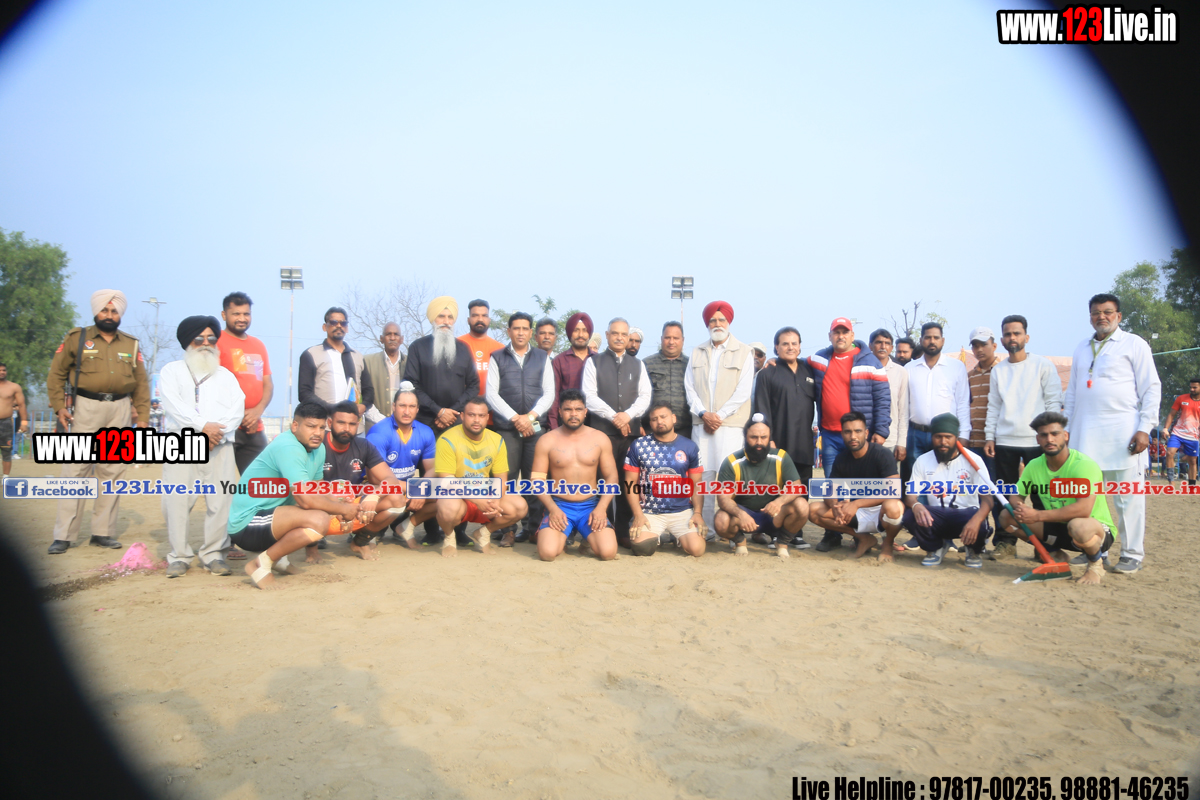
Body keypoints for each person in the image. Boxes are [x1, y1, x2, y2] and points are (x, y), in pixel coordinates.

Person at [46, 290, 151, 555]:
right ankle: (64, 535)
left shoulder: (131, 344)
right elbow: (56, 373)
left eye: (114, 311)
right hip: (86, 407)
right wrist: (59, 406)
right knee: (76, 470)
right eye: (105, 310)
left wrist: (143, 418)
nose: (109, 315)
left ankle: (102, 532)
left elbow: (141, 384)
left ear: (120, 314)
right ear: (96, 312)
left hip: (120, 409)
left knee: (112, 471)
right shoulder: (77, 338)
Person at [1063, 293, 1161, 574]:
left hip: (1124, 436)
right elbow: (1072, 394)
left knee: (1127, 499)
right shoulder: (1082, 347)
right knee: (1089, 500)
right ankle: (1096, 550)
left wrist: (1144, 429)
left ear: (1119, 316)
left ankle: (1131, 555)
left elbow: (1151, 388)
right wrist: (1067, 429)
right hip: (1085, 435)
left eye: (1107, 312)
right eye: (1096, 312)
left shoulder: (1134, 344)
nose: (1101, 317)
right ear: (1090, 317)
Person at [229, 402, 370, 588]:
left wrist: (343, 504)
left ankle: (279, 559)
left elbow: (317, 488)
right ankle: (260, 564)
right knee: (319, 519)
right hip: (247, 523)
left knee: (324, 511)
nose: (318, 433)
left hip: (273, 516)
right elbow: (305, 499)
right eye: (311, 426)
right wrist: (342, 510)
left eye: (321, 427)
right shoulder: (288, 447)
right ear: (295, 426)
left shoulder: (318, 448)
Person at [159, 316, 243, 578]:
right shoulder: (171, 371)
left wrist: (216, 432)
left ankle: (214, 554)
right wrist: (202, 427)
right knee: (176, 501)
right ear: (188, 342)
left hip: (220, 445)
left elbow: (237, 409)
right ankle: (179, 556)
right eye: (199, 338)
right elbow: (173, 406)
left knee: (221, 502)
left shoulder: (226, 376)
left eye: (211, 338)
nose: (206, 343)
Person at [1000, 411, 1116, 586]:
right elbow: (1016, 495)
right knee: (1007, 516)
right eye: (1044, 435)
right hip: (1060, 527)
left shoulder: (1083, 465)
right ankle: (1054, 553)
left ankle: (1095, 565)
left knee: (1079, 525)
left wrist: (1037, 515)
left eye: (1055, 434)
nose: (1050, 439)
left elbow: (1083, 510)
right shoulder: (1034, 465)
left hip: (1094, 530)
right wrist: (1021, 508)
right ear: (1038, 439)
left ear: (1065, 436)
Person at [983, 314, 1064, 557]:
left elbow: (1053, 402)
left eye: (1017, 333)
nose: (1012, 338)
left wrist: (1051, 437)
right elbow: (994, 406)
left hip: (1036, 442)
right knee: (1005, 495)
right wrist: (990, 436)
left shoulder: (1042, 365)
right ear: (1001, 340)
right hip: (1005, 441)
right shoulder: (998, 371)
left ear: (1026, 337)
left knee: (1042, 496)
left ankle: (1046, 546)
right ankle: (1005, 543)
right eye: (1007, 334)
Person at [808, 318, 891, 550]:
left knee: (859, 486)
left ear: (852, 336)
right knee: (833, 486)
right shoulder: (819, 359)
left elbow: (883, 399)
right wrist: (773, 361)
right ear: (830, 336)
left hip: (859, 438)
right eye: (836, 332)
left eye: (845, 332)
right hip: (830, 436)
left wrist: (881, 431)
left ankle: (859, 533)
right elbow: (794, 361)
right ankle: (833, 534)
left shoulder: (870, 362)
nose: (841, 336)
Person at [684, 301, 756, 533]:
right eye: (713, 320)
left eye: (721, 320)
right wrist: (704, 414)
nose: (717, 324)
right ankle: (705, 530)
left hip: (730, 426)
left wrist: (719, 416)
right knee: (703, 479)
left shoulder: (745, 352)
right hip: (702, 425)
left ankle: (731, 530)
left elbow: (743, 391)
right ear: (707, 324)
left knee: (729, 479)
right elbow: (689, 389)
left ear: (729, 322)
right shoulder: (696, 352)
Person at [426, 397, 527, 558]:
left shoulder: (497, 440)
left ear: (487, 418)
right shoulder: (447, 439)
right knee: (447, 508)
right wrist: (477, 500)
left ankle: (484, 533)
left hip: (484, 493)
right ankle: (449, 537)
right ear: (462, 416)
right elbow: (447, 481)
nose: (476, 420)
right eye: (471, 415)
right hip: (457, 496)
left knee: (520, 506)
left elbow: (501, 478)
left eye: (481, 415)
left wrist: (496, 499)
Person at [485, 312, 554, 545]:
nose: (521, 333)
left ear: (531, 332)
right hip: (507, 427)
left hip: (535, 426)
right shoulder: (497, 357)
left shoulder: (542, 357)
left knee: (536, 478)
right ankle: (507, 529)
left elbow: (549, 393)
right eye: (516, 328)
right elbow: (491, 394)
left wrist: (530, 417)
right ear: (509, 331)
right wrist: (516, 418)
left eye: (525, 329)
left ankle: (534, 529)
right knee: (506, 480)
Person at [583, 317, 652, 547]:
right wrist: (615, 417)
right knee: (601, 481)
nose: (620, 338)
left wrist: (627, 416)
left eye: (624, 334)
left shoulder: (638, 364)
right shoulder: (593, 362)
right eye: (615, 333)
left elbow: (645, 396)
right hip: (601, 433)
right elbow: (589, 396)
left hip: (630, 436)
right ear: (607, 335)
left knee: (628, 482)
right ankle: (601, 528)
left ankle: (623, 529)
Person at [531, 389, 620, 561]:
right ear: (560, 412)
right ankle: (562, 538)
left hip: (590, 506)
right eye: (568, 409)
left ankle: (587, 540)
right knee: (547, 553)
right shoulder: (547, 440)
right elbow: (537, 480)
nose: (573, 414)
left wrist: (601, 508)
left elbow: (612, 477)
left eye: (578, 409)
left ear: (585, 411)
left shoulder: (600, 438)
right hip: (559, 505)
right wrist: (553, 509)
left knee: (608, 552)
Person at [898, 413, 994, 569]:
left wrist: (977, 520)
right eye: (938, 437)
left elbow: (988, 499)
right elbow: (910, 496)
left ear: (956, 437)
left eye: (948, 437)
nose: (943, 442)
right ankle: (936, 547)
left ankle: (973, 550)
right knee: (910, 516)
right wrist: (916, 505)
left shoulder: (974, 460)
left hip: (966, 515)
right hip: (937, 517)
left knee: (980, 518)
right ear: (932, 437)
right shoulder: (922, 460)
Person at [752, 326, 818, 548]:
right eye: (785, 344)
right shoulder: (767, 374)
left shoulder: (810, 371)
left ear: (800, 346)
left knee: (801, 489)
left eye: (794, 343)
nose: (790, 347)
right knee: (775, 490)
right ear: (776, 347)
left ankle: (795, 533)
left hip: (804, 443)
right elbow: (761, 410)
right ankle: (774, 533)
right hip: (777, 442)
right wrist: (768, 441)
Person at [808, 412, 904, 560]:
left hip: (880, 511)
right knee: (813, 510)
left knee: (894, 507)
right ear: (842, 434)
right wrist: (834, 505)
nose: (853, 436)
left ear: (866, 433)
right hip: (855, 513)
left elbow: (894, 490)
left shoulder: (882, 454)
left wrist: (857, 503)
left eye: (857, 431)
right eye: (848, 432)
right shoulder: (841, 458)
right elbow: (829, 492)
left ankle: (888, 543)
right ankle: (864, 538)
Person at [713, 414, 809, 559]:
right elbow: (723, 498)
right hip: (744, 517)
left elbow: (797, 487)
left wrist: (779, 502)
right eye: (754, 437)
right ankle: (740, 541)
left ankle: (782, 543)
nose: (759, 442)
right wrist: (741, 514)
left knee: (802, 505)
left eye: (764, 437)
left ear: (769, 438)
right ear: (745, 437)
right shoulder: (732, 462)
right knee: (720, 520)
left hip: (774, 515)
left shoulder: (781, 457)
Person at [321, 401, 407, 560]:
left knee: (397, 499)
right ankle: (312, 546)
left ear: (358, 425)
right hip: (323, 506)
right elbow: (306, 489)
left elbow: (390, 479)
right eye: (341, 423)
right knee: (304, 503)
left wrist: (375, 496)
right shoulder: (318, 445)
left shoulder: (364, 446)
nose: (346, 428)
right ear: (330, 423)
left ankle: (360, 542)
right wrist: (337, 506)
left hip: (352, 506)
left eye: (352, 424)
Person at [624, 402, 706, 557]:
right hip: (650, 511)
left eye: (663, 417)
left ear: (673, 418)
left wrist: (698, 513)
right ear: (650, 423)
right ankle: (657, 536)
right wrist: (638, 514)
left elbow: (697, 484)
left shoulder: (690, 446)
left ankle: (679, 537)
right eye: (654, 419)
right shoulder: (639, 445)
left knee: (697, 550)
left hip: (681, 510)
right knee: (642, 549)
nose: (659, 421)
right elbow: (630, 483)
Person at [365, 384, 437, 548]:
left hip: (405, 488)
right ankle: (368, 531)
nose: (407, 411)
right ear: (393, 406)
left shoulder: (425, 432)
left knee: (444, 494)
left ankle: (405, 527)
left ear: (417, 409)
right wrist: (415, 489)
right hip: (379, 488)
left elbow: (432, 469)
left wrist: (421, 490)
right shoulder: (379, 432)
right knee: (388, 494)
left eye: (411, 406)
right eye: (402, 405)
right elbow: (375, 478)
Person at [904, 321, 970, 490]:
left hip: (946, 435)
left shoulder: (956, 367)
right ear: (921, 340)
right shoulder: (909, 368)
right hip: (916, 434)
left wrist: (964, 434)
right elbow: (904, 406)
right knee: (917, 482)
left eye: (936, 337)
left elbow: (963, 402)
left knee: (945, 480)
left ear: (943, 340)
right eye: (928, 337)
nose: (932, 341)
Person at [405, 296, 480, 435]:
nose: (446, 322)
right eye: (441, 316)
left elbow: (474, 385)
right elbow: (411, 384)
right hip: (424, 421)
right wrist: (438, 411)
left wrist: (452, 412)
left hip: (456, 420)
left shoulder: (463, 348)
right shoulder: (418, 347)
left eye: (450, 317)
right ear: (433, 318)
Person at [217, 292, 274, 475]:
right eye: (236, 314)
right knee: (221, 483)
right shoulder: (215, 342)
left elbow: (267, 384)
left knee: (261, 482)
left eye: (246, 314)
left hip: (254, 427)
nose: (242, 318)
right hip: (225, 427)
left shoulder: (258, 345)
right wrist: (238, 414)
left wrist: (258, 411)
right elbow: (211, 387)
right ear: (224, 315)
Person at [297, 307, 374, 418]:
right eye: (333, 322)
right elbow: (304, 393)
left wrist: (364, 406)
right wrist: (332, 409)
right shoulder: (311, 354)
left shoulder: (357, 356)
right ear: (325, 327)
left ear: (347, 328)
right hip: (324, 422)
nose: (339, 326)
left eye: (343, 323)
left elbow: (368, 390)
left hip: (353, 424)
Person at [642, 321, 691, 439]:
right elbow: (635, 393)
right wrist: (637, 423)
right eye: (667, 338)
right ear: (661, 339)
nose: (671, 342)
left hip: (685, 431)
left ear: (683, 340)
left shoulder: (691, 365)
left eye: (676, 338)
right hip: (652, 431)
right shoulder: (647, 364)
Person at [868, 328, 908, 464]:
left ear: (891, 348)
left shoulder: (900, 372)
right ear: (870, 346)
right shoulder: (861, 368)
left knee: (890, 477)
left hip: (890, 439)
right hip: (864, 438)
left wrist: (901, 443)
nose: (883, 346)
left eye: (887, 343)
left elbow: (903, 410)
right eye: (878, 342)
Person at [549, 312, 594, 430]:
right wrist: (554, 427)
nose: (581, 335)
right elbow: (554, 397)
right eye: (576, 330)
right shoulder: (559, 361)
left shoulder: (598, 360)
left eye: (584, 330)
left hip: (595, 423)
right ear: (569, 333)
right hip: (567, 422)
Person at [363, 322, 406, 428]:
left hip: (405, 426)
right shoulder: (368, 362)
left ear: (401, 339)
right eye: (388, 334)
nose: (392, 338)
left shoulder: (410, 362)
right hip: (376, 425)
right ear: (381, 339)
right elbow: (363, 396)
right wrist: (382, 421)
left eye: (396, 334)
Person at [459, 299, 505, 399]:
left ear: (489, 320)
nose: (480, 319)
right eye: (475, 315)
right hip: (462, 404)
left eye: (484, 316)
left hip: (492, 405)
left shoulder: (500, 349)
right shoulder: (457, 345)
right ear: (468, 320)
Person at [1162, 378, 1200, 488]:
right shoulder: (1181, 398)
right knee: (1170, 453)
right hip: (1177, 433)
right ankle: (1171, 481)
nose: (1192, 389)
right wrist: (1165, 428)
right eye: (1191, 387)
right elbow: (1171, 414)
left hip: (1193, 436)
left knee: (1192, 461)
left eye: (1195, 387)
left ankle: (1192, 486)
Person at [0, 362, 28, 477]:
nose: (2, 372)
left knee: (6, 451)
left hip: (6, 422)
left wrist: (24, 422)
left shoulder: (14, 387)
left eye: (4, 370)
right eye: (0, 370)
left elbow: (21, 405)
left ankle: (5, 477)